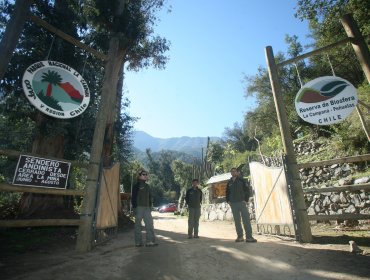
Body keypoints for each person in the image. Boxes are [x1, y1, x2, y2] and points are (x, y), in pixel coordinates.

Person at [226, 167, 257, 243]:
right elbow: (227, 192)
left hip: (241, 203)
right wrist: (228, 201)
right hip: (233, 204)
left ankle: (249, 237)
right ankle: (240, 237)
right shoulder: (229, 182)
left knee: (246, 220)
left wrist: (245, 200)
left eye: (234, 171)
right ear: (231, 173)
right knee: (237, 221)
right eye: (232, 171)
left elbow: (247, 190)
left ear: (237, 172)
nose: (233, 172)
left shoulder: (242, 180)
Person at [131, 170, 158, 247]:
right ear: (139, 176)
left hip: (147, 208)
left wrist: (150, 207)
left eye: (146, 174)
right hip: (138, 207)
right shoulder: (136, 186)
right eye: (143, 174)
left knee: (149, 224)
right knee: (138, 225)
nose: (145, 175)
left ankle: (150, 241)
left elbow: (150, 198)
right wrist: (134, 208)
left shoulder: (147, 186)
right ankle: (138, 242)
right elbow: (133, 198)